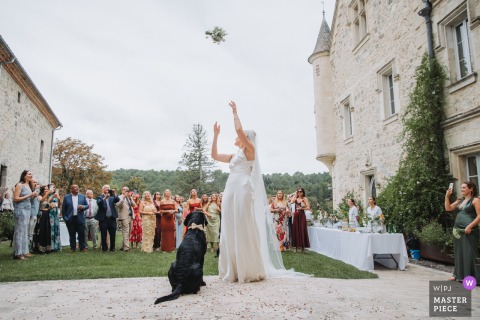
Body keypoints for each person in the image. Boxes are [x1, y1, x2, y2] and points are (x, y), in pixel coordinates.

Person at [212, 101, 296, 283]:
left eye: (242, 137)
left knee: (242, 223)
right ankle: (231, 269)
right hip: (230, 188)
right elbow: (214, 156)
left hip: (242, 187)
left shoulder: (250, 150)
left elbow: (238, 131)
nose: (238, 138)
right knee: (228, 224)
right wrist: (215, 136)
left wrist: (235, 112)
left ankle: (247, 268)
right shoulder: (234, 156)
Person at [445, 181, 480, 282]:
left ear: (471, 189)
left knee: (470, 253)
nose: (461, 189)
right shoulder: (460, 200)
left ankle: (474, 277)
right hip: (458, 231)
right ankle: (457, 274)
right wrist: (447, 197)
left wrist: (469, 226)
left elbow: (479, 216)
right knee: (459, 252)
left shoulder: (476, 200)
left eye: (464, 188)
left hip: (469, 231)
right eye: (461, 188)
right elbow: (448, 208)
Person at [13, 170, 37, 260]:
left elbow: (28, 199)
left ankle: (24, 251)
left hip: (27, 210)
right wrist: (30, 195)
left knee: (25, 231)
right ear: (24, 176)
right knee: (20, 231)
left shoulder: (29, 185)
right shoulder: (20, 185)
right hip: (20, 210)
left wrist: (32, 196)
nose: (31, 175)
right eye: (29, 174)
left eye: (31, 174)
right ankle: (18, 253)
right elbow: (16, 198)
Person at [61, 184, 89, 252]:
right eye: (75, 188)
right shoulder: (66, 197)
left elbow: (87, 206)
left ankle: (82, 248)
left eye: (77, 187)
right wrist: (65, 218)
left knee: (81, 234)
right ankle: (73, 248)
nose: (76, 189)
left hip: (80, 218)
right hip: (70, 219)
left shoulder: (82, 196)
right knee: (72, 234)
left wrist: (83, 207)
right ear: (71, 189)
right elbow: (63, 209)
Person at [95, 185, 119, 252]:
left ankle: (112, 248)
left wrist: (114, 193)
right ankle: (104, 248)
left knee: (113, 234)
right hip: (103, 219)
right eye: (106, 188)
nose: (108, 189)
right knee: (103, 234)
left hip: (112, 218)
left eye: (109, 188)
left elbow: (117, 200)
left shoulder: (112, 197)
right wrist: (105, 198)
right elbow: (99, 203)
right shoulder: (99, 197)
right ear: (103, 190)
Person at [32, 185, 52, 253]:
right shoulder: (40, 196)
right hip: (42, 214)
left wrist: (50, 206)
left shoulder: (47, 197)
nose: (46, 190)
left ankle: (46, 247)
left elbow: (47, 205)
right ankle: (39, 247)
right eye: (45, 189)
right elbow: (41, 201)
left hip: (47, 214)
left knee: (47, 230)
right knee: (41, 230)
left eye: (47, 189)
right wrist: (48, 193)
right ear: (42, 190)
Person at [290, 188, 310, 254]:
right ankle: (295, 247)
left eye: (300, 191)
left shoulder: (305, 198)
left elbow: (308, 207)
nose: (299, 192)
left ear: (303, 192)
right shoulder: (295, 198)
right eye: (298, 191)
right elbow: (291, 202)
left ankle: (303, 248)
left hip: (302, 215)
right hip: (296, 215)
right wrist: (295, 195)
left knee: (302, 230)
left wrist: (301, 208)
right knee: (295, 230)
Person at [116, 186, 134, 252]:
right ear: (122, 190)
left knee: (128, 232)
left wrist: (131, 198)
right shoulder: (119, 197)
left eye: (127, 190)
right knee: (126, 231)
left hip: (130, 216)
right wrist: (123, 198)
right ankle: (126, 247)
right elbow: (118, 205)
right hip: (124, 216)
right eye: (124, 190)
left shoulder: (129, 198)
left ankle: (123, 246)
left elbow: (134, 205)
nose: (126, 191)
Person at [48, 184, 61, 251]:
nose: (54, 189)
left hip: (55, 213)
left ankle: (56, 245)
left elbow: (59, 205)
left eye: (54, 187)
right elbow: (47, 202)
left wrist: (59, 199)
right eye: (53, 187)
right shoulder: (47, 194)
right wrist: (53, 196)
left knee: (56, 228)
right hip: (49, 213)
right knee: (51, 228)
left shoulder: (56, 195)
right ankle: (51, 246)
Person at [29, 179, 40, 245]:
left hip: (35, 214)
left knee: (32, 232)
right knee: (29, 231)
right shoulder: (32, 192)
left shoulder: (37, 192)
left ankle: (30, 247)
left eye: (36, 182)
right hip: (31, 214)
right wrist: (37, 189)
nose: (36, 184)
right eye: (34, 182)